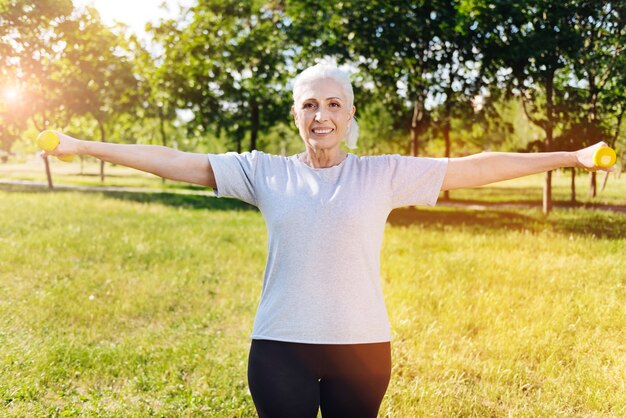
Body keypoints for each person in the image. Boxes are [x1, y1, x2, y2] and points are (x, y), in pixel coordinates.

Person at [44, 63, 611, 418]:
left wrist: (573, 156)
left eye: (333, 103)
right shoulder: (262, 171)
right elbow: (173, 161)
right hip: (280, 349)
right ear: (296, 114)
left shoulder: (382, 173)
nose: (321, 115)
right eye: (310, 104)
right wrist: (84, 146)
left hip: (363, 350)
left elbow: (477, 164)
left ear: (350, 114)